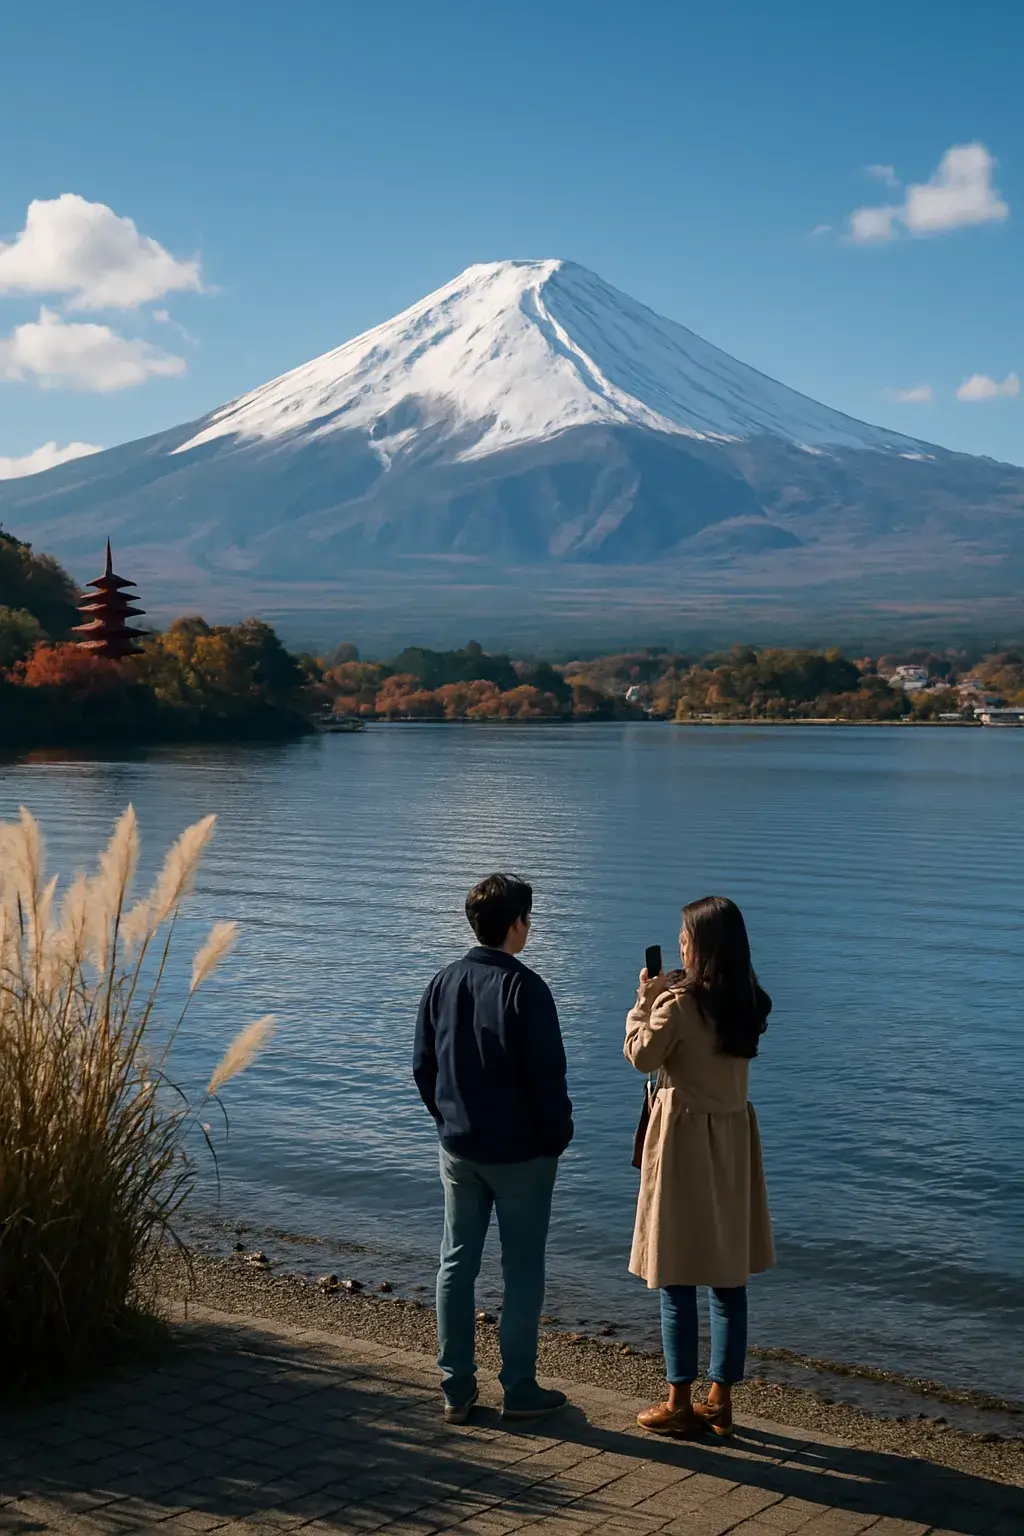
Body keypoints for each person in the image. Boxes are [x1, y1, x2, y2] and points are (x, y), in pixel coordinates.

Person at [414, 873, 574, 1424]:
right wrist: (558, 1138)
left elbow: (423, 1066)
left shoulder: (442, 981)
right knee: (523, 1267)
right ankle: (520, 1388)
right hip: (522, 1154)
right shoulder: (527, 989)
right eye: (528, 919)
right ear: (517, 925)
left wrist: (446, 1121)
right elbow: (548, 1078)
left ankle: (457, 1387)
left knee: (456, 1262)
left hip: (460, 1147)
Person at [625, 895, 774, 1437]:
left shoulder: (679, 1007)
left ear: (703, 948)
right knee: (728, 1279)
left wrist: (644, 1001)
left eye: (685, 937)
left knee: (677, 1273)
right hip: (733, 1141)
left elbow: (641, 1056)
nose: (679, 944)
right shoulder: (748, 1002)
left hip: (685, 1141)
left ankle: (678, 1400)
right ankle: (722, 1401)